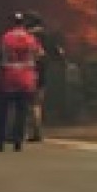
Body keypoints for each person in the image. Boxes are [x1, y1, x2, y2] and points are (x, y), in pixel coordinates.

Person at [0, 12, 44, 152]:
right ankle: (18, 142)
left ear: (12, 23)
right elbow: (40, 55)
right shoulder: (31, 39)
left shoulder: (6, 37)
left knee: (2, 111)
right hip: (26, 80)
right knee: (22, 111)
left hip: (7, 78)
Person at [24, 11, 64, 142]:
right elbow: (58, 53)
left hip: (26, 71)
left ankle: (23, 130)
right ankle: (37, 132)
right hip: (42, 72)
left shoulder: (26, 36)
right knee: (37, 103)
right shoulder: (48, 36)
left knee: (25, 102)